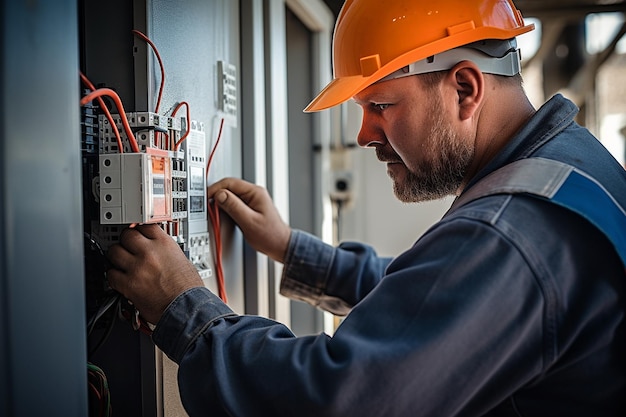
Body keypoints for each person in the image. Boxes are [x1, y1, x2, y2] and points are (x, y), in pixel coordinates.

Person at [106, 0, 626, 415]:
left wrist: (186, 310)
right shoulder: (567, 167)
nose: (362, 134)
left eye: (380, 105)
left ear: (464, 88)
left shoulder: (512, 231)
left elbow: (334, 398)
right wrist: (291, 249)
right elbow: (437, 300)